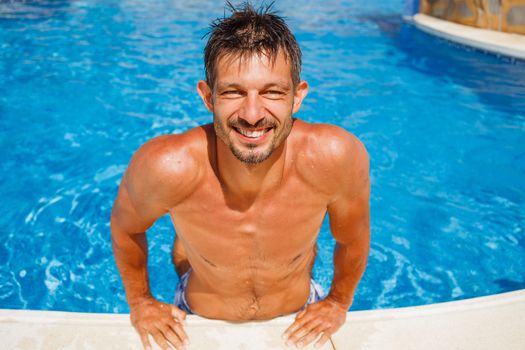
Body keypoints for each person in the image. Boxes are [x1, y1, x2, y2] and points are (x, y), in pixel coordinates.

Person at [111, 3, 370, 350]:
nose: (252, 114)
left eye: (272, 92)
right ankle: (189, 242)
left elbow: (352, 238)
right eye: (233, 92)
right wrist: (141, 301)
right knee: (194, 248)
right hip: (198, 309)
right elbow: (126, 227)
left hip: (299, 305)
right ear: (207, 97)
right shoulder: (167, 166)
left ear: (298, 96)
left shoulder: (334, 158)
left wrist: (337, 303)